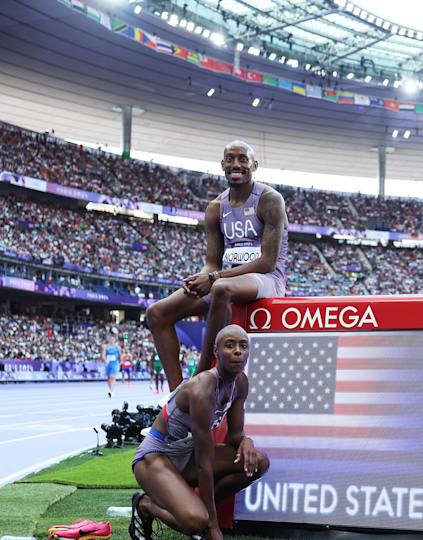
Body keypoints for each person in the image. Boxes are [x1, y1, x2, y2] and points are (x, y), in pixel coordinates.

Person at [146, 141, 289, 391]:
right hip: (226, 278)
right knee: (156, 312)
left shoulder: (269, 200)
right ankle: (177, 394)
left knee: (222, 288)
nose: (236, 164)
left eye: (243, 159)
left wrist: (213, 278)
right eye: (230, 159)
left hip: (266, 279)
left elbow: (267, 261)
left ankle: (201, 374)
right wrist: (199, 279)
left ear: (254, 165)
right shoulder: (215, 208)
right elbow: (211, 262)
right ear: (222, 164)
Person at [129, 325, 269, 540]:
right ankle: (146, 505)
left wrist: (245, 440)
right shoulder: (203, 388)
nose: (237, 351)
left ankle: (191, 505)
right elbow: (204, 463)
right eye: (229, 345)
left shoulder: (240, 383)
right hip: (156, 457)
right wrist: (213, 527)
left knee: (258, 461)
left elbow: (235, 436)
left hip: (187, 457)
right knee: (196, 522)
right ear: (216, 352)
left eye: (243, 346)